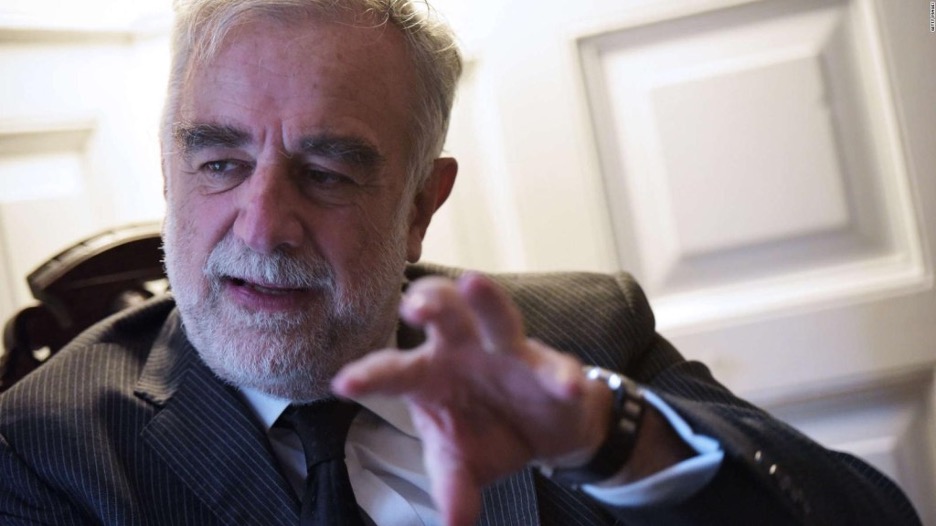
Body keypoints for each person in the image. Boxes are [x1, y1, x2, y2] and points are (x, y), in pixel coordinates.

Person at [0, 1, 922, 525]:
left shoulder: (581, 337)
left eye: (327, 172)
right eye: (220, 163)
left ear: (420, 206)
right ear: (170, 173)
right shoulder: (44, 447)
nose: (265, 225)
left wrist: (607, 439)